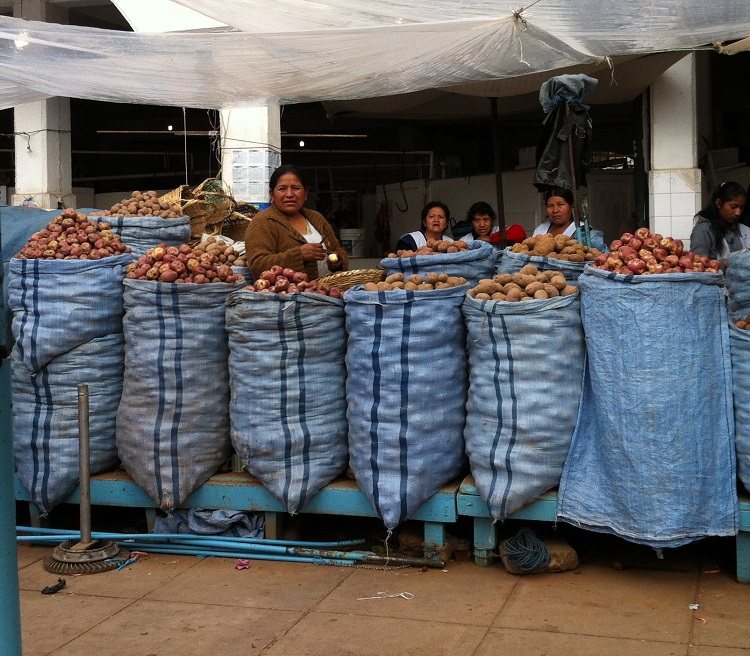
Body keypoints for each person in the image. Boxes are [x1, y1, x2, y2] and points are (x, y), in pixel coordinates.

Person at [244, 165, 349, 280]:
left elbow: (337, 250)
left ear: (306, 193)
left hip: (326, 292)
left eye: (296, 188)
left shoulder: (316, 218)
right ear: (272, 195)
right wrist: (299, 255)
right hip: (286, 296)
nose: (289, 194)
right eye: (282, 189)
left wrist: (337, 260)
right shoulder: (263, 221)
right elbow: (257, 265)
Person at [690, 181, 750, 262]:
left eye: (741, 208)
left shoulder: (743, 230)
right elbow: (698, 265)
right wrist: (727, 263)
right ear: (718, 203)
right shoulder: (703, 231)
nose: (738, 213)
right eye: (733, 207)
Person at [533, 187, 608, 252]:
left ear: (571, 207)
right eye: (550, 206)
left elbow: (603, 258)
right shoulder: (540, 229)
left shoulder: (585, 233)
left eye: (560, 204)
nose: (555, 210)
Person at [461, 201, 527, 249]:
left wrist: (491, 238)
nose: (482, 225)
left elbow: (520, 234)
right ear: (471, 223)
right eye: (477, 220)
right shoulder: (465, 240)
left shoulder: (500, 231)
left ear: (492, 220)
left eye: (486, 219)